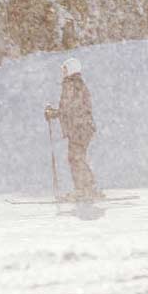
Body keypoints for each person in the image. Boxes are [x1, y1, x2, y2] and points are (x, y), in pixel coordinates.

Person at [44, 58, 100, 202]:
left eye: (64, 69)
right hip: (83, 127)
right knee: (77, 157)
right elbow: (71, 107)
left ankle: (83, 189)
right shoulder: (78, 84)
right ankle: (88, 187)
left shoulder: (71, 84)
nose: (62, 73)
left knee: (75, 157)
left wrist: (53, 113)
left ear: (71, 69)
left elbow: (68, 108)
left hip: (79, 128)